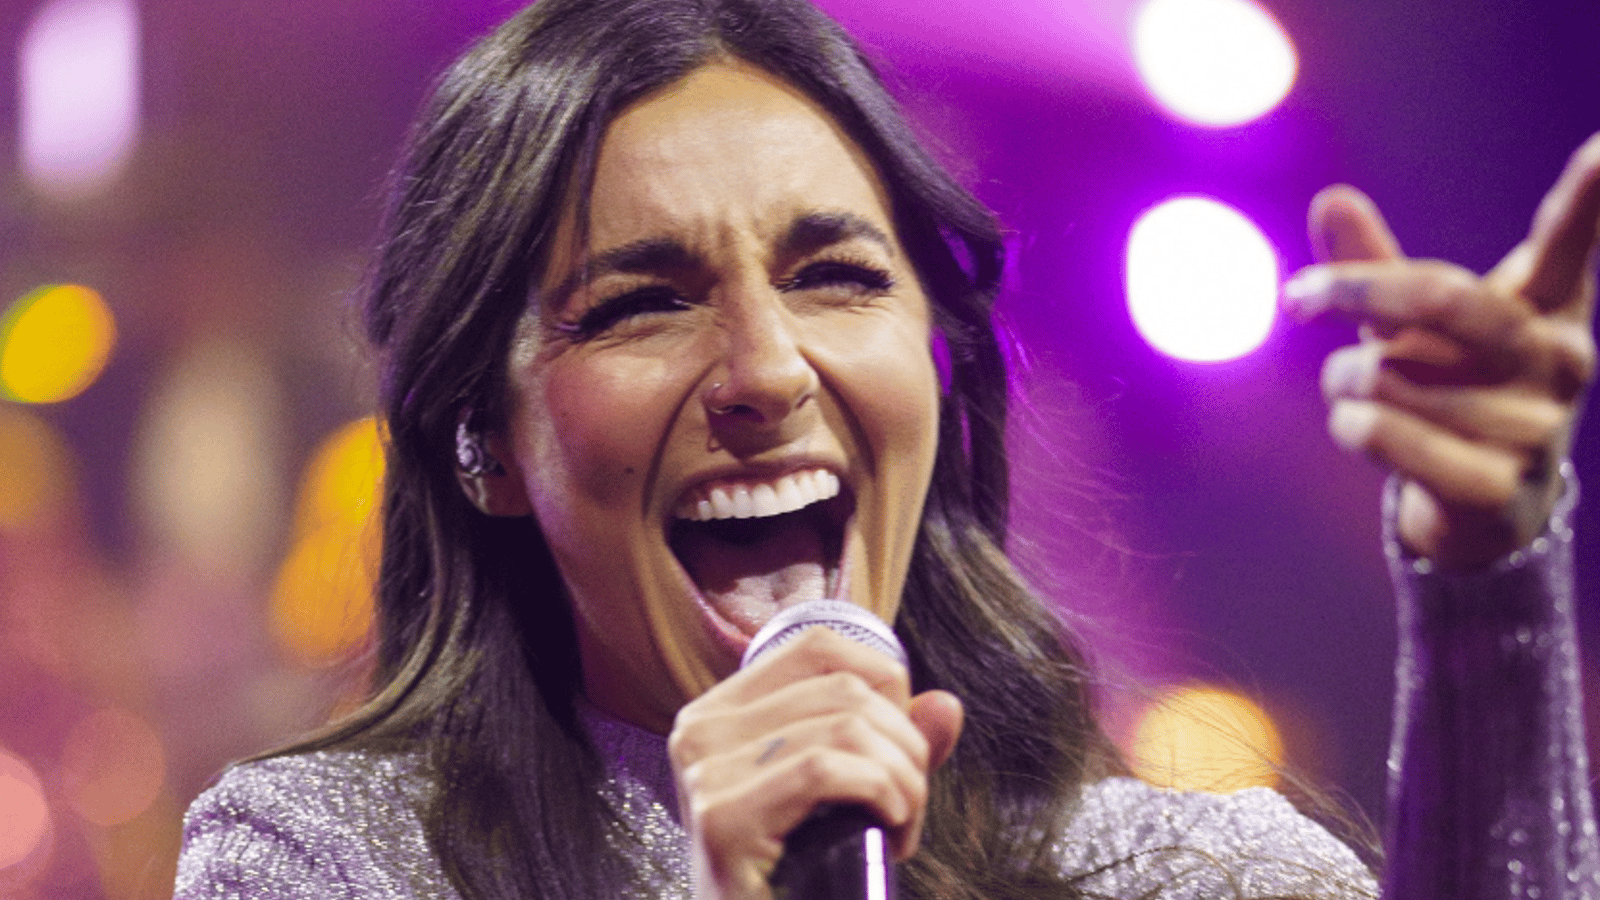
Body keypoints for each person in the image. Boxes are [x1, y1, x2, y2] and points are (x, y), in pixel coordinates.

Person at [174, 0, 1600, 898]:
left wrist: (1489, 596)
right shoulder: (324, 860)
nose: (765, 370)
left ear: (940, 363)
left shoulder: (1186, 871)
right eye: (645, 301)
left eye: (837, 276)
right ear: (483, 436)